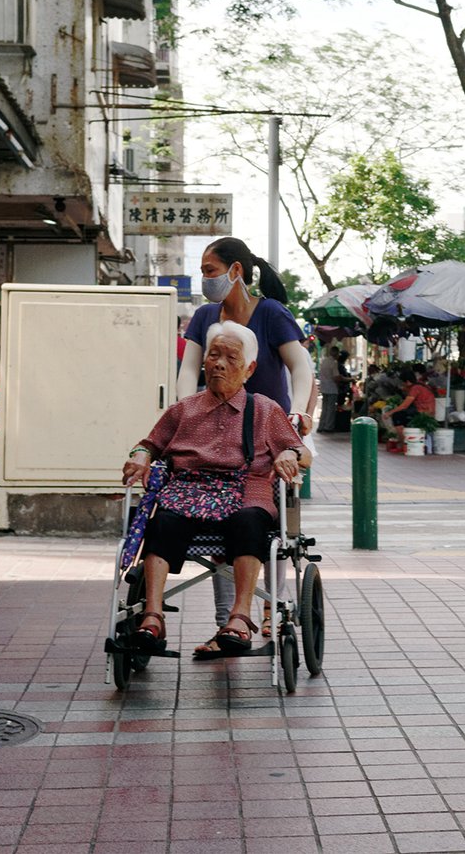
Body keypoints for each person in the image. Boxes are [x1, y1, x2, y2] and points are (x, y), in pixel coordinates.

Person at [122, 323, 307, 656]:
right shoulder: (183, 409)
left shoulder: (264, 409)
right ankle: (152, 616)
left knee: (249, 522)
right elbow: (150, 444)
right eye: (214, 355)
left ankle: (239, 618)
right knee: (162, 522)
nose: (219, 363)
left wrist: (287, 455)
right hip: (188, 490)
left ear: (249, 369)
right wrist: (140, 457)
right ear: (204, 361)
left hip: (245, 490)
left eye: (230, 357)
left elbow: (296, 449)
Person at [177, 237, 313, 652]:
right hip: (217, 438)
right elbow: (188, 372)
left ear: (237, 271)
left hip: (270, 436)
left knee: (274, 529)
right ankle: (227, 623)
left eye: (210, 271)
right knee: (220, 527)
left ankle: (272, 609)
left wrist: (300, 413)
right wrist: (185, 414)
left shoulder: (270, 313)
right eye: (202, 271)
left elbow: (301, 367)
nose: (205, 279)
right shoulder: (204, 316)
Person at [317, 345, 348, 433]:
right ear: (337, 354)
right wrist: (347, 379)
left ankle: (321, 426)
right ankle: (328, 427)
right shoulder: (334, 362)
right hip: (331, 388)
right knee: (330, 409)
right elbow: (336, 377)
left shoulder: (324, 361)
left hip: (324, 388)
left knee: (324, 408)